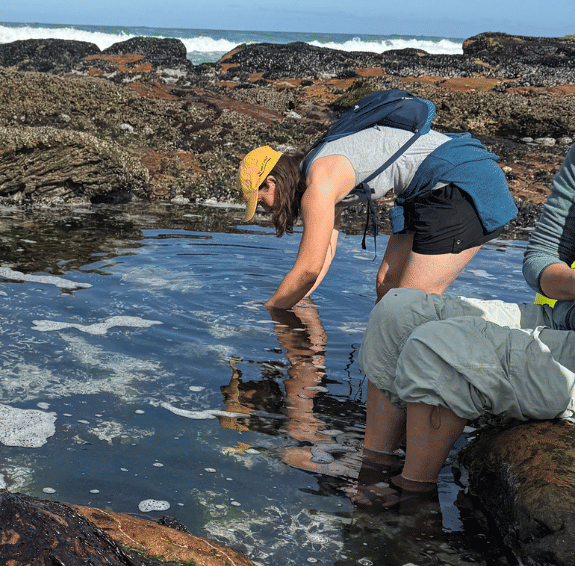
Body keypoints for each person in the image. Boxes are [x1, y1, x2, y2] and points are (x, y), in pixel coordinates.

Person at [352, 144, 575, 506]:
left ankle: (413, 504)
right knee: (396, 311)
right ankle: (373, 467)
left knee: (439, 349)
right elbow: (541, 259)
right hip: (563, 316)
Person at [239, 120, 515, 310]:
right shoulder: (324, 174)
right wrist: (296, 303)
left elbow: (308, 269)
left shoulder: (320, 182)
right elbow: (322, 257)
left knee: (405, 309)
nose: (264, 209)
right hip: (427, 188)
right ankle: (386, 381)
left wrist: (270, 311)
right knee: (387, 285)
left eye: (260, 200)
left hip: (462, 179)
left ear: (272, 181)